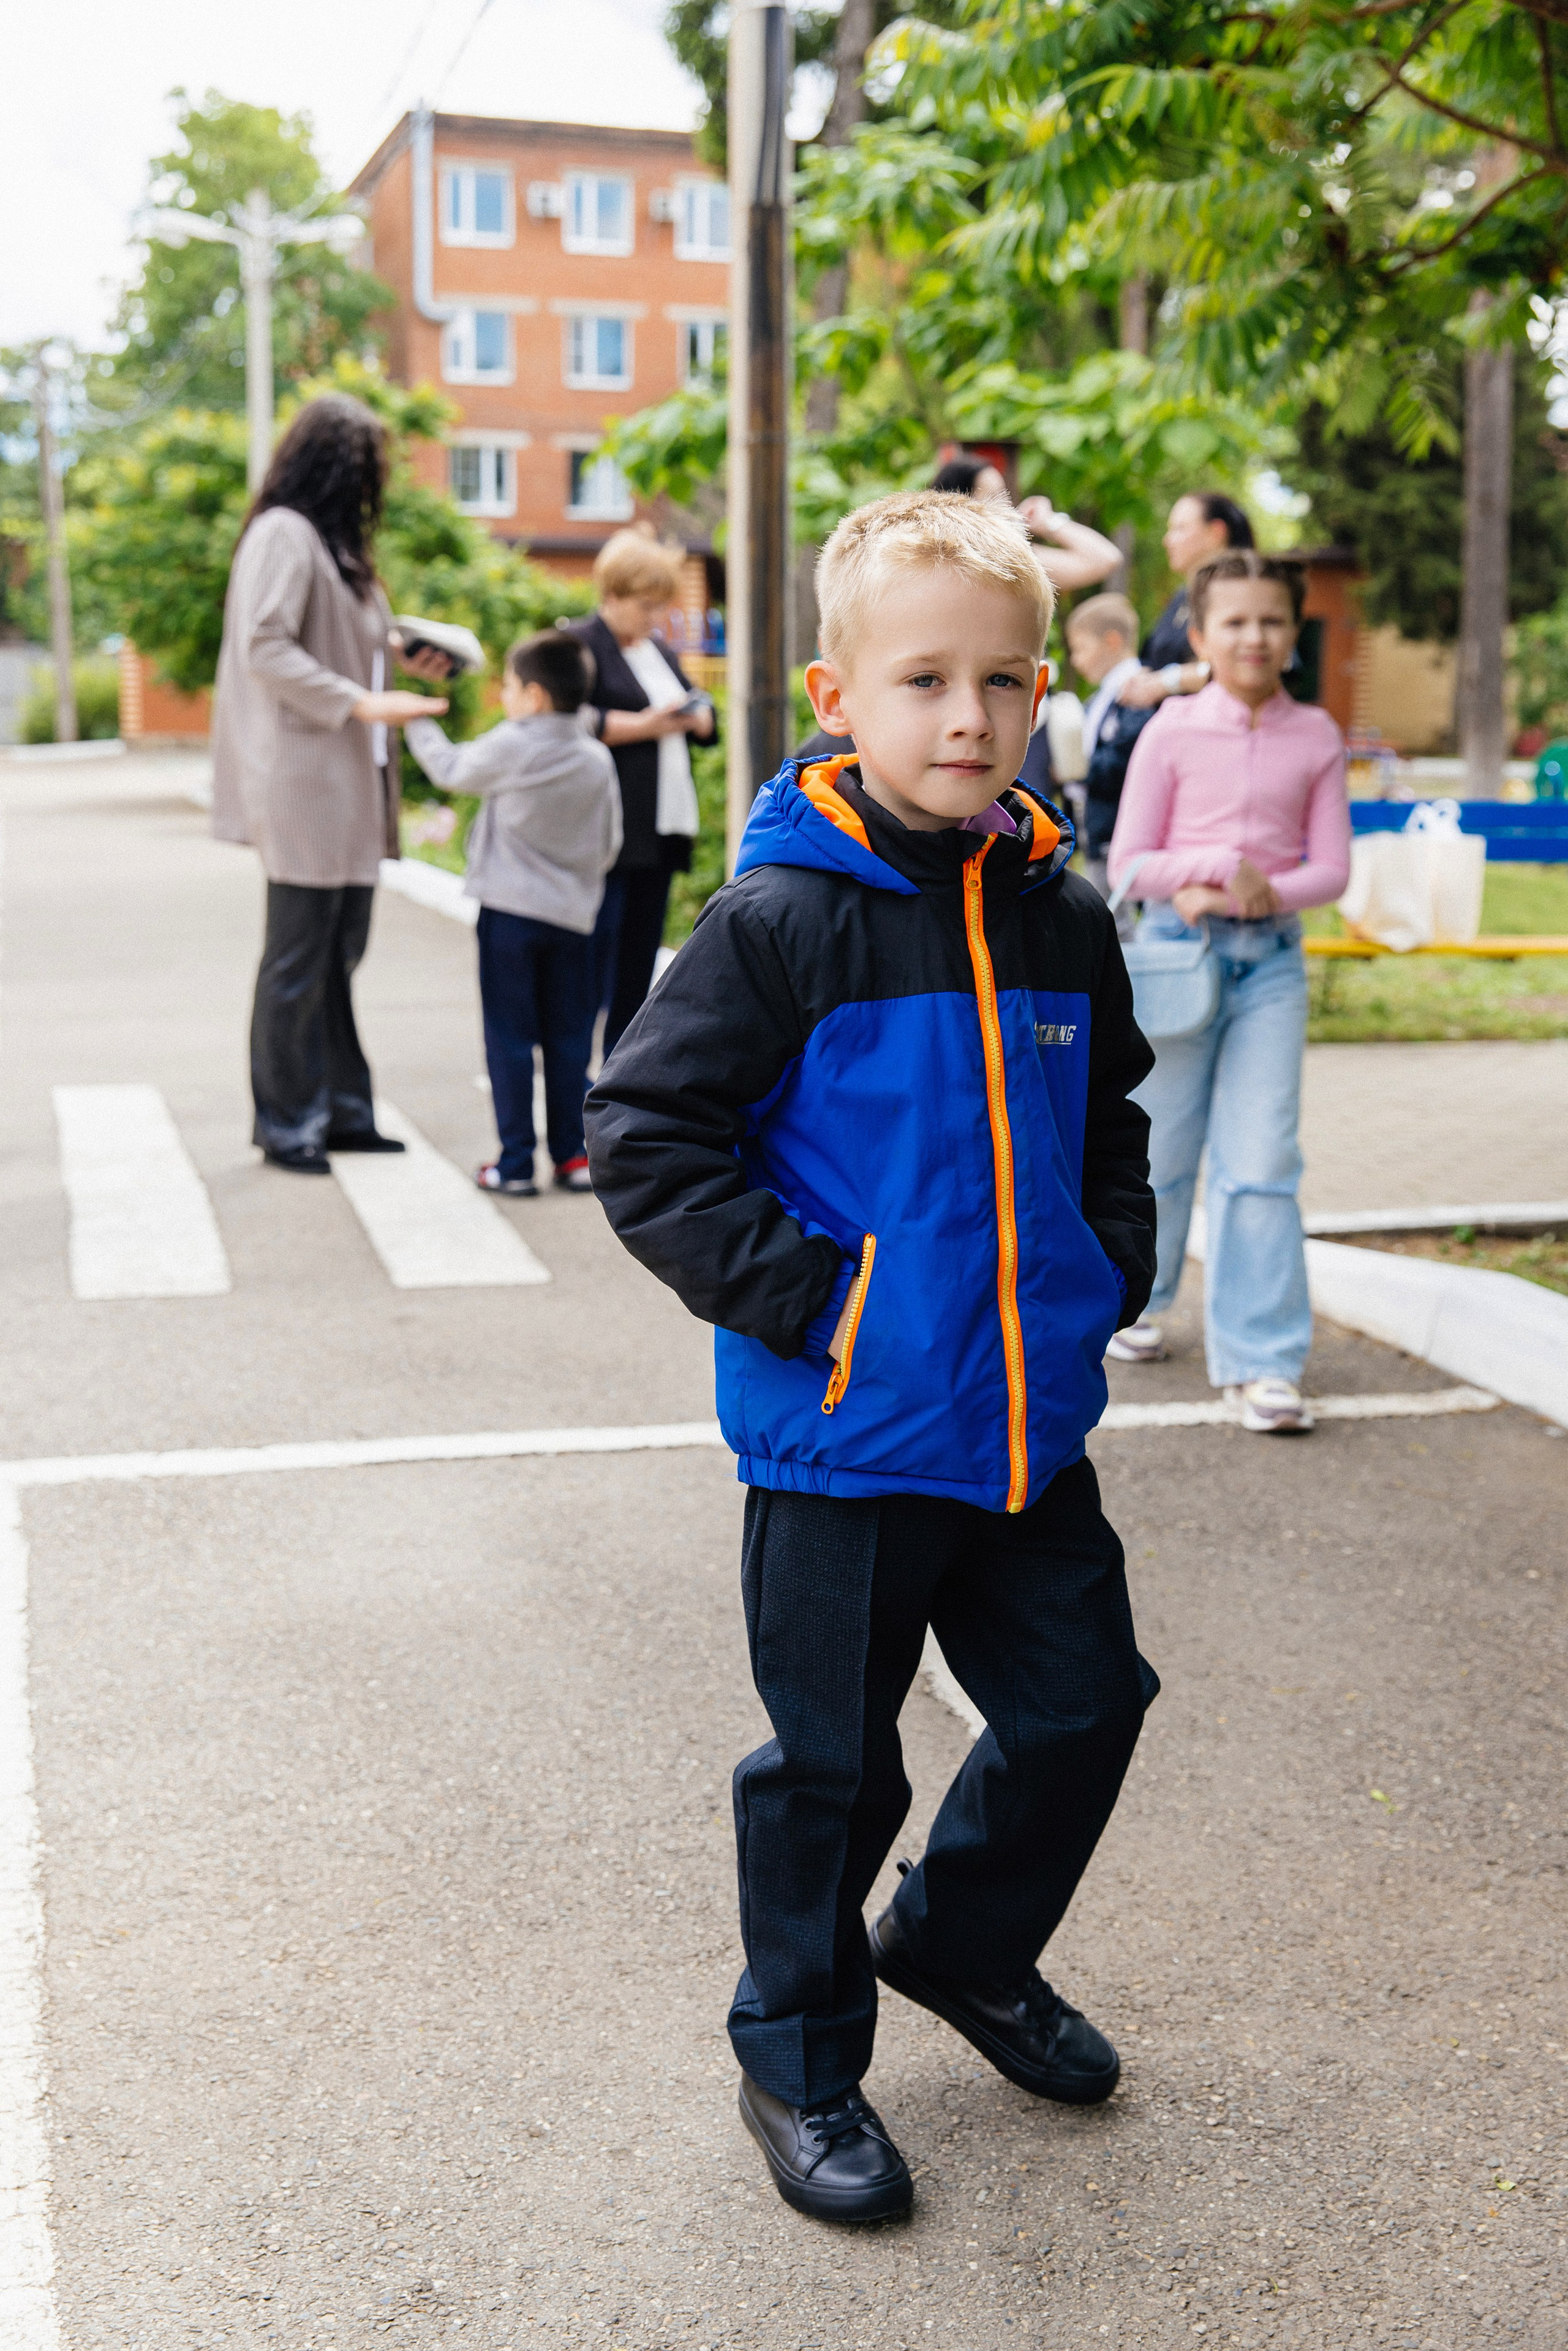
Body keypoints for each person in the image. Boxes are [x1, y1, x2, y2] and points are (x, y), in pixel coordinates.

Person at [585, 490, 1159, 2222]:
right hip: (841, 1443)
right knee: (833, 1767)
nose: (968, 717)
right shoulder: (781, 922)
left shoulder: (1057, 910)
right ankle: (800, 2052)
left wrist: (1104, 1268)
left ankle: (961, 1946)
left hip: (1023, 1431)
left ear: (1042, 687)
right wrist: (821, 1302)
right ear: (837, 696)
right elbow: (645, 1134)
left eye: (1000, 681)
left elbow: (1110, 1113)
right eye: (923, 681)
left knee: (1081, 1704)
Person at [1106, 550, 1351, 1433]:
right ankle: (1142, 1301)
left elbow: (1331, 870)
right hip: (1179, 956)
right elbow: (1131, 862)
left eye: (1273, 621)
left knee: (1262, 1166)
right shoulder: (1169, 730)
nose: (1255, 636)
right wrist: (1216, 869)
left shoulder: (1316, 734)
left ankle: (1264, 1360)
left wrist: (1262, 891)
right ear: (1202, 634)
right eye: (1236, 621)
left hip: (1272, 967)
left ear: (1294, 633)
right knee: (1161, 1152)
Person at [212, 394, 450, 1174]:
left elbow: (346, 638)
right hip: (305, 781)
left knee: (337, 953)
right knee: (299, 956)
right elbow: (265, 644)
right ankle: (286, 1121)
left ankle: (342, 1110)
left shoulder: (331, 547)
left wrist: (403, 650)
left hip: (346, 780)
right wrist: (360, 701)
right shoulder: (284, 534)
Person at [403, 632, 620, 1196]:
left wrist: (413, 718)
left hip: (510, 916)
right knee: (570, 1039)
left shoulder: (516, 743)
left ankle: (515, 1163)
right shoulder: (597, 759)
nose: (503, 695)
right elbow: (610, 843)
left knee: (510, 1038)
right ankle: (573, 1157)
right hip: (574, 920)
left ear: (536, 697)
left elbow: (451, 770)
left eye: (508, 686)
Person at [566, 534, 717, 1057]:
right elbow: (568, 720)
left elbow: (700, 710)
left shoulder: (656, 651)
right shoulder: (582, 645)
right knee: (597, 959)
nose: (655, 617)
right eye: (647, 605)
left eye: (661, 606)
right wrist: (647, 725)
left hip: (662, 825)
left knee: (638, 962)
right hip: (613, 829)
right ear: (613, 593)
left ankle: (620, 1073)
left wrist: (699, 715)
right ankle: (576, 1077)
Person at [1117, 489, 1254, 712]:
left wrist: (1167, 681)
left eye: (1179, 529)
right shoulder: (1183, 597)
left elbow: (1243, 667)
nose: (1167, 540)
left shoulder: (1248, 595)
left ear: (1215, 532)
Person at [1063, 592, 1154, 916]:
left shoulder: (1140, 694)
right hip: (1096, 832)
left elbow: (1127, 763)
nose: (1076, 660)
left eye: (1081, 648)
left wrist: (1074, 769)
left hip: (1120, 831)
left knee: (1116, 922)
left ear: (1112, 642)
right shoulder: (1099, 700)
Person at [930, 452, 1122, 594]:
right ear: (960, 504)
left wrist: (1049, 522)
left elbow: (1107, 559)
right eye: (994, 497)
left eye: (1006, 497)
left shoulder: (1012, 559)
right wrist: (1048, 522)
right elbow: (1106, 559)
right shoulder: (933, 564)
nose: (1008, 507)